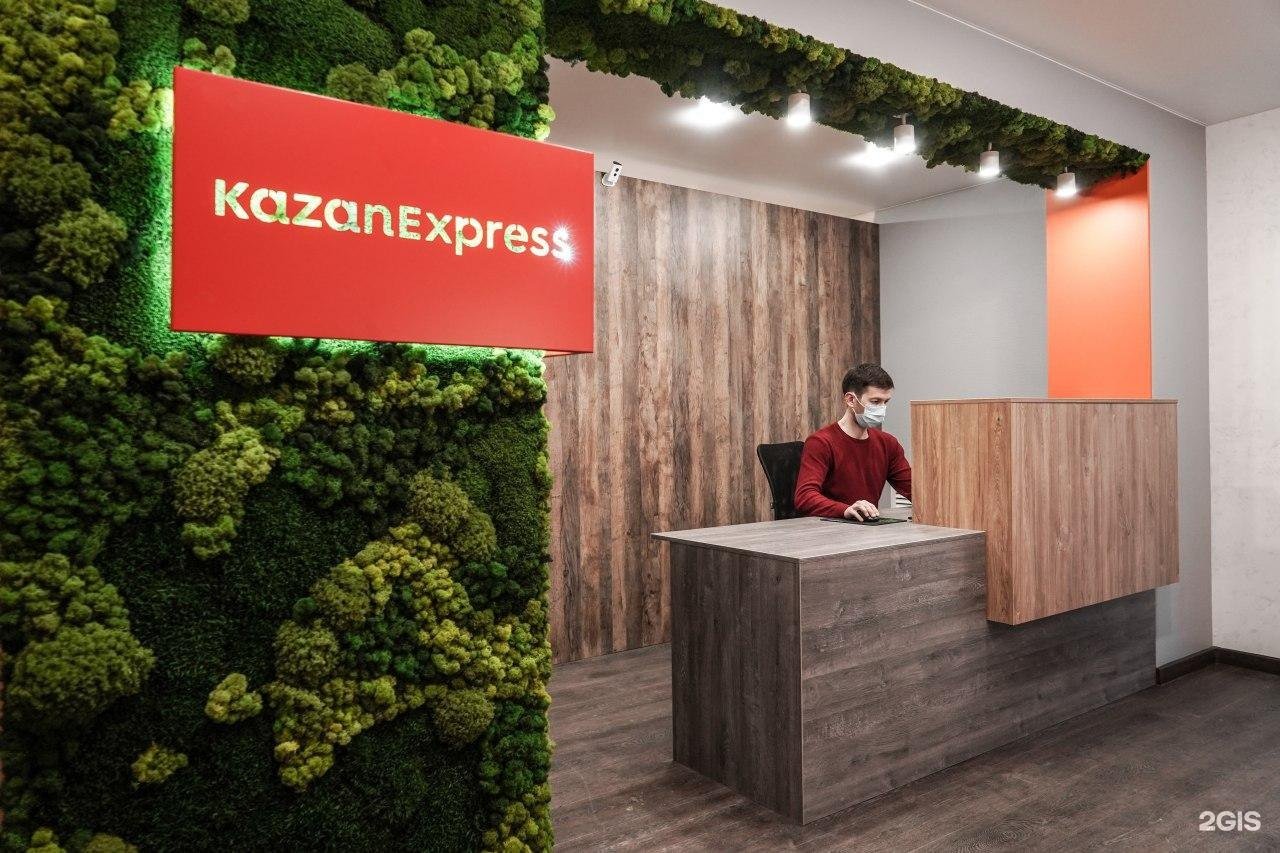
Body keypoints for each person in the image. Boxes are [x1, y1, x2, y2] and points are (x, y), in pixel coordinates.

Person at [793, 363, 912, 520]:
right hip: (829, 527)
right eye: (875, 401)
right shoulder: (821, 442)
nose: (882, 408)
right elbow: (805, 497)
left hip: (867, 527)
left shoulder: (888, 444)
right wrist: (845, 509)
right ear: (850, 400)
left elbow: (914, 489)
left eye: (886, 402)